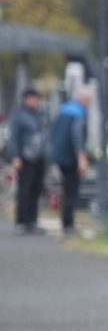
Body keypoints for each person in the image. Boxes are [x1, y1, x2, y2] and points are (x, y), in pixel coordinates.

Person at [50, 87, 91, 236]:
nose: (89, 104)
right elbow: (77, 136)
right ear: (82, 99)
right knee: (71, 191)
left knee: (66, 189)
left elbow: (53, 132)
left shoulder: (63, 111)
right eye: (88, 100)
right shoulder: (78, 113)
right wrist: (82, 157)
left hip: (60, 157)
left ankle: (66, 222)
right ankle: (68, 224)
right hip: (72, 158)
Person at [7, 89, 47, 235]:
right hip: (25, 158)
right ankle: (21, 221)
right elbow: (13, 137)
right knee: (24, 190)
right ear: (26, 99)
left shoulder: (40, 115)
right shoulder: (18, 115)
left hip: (39, 157)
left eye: (37, 99)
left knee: (36, 189)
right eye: (33, 98)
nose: (35, 101)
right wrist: (15, 156)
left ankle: (32, 221)